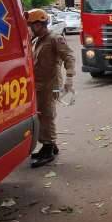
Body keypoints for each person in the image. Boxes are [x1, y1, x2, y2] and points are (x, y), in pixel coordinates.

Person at [25, 9, 76, 168]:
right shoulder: (36, 40)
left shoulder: (55, 38)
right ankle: (50, 146)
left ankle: (48, 147)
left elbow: (69, 56)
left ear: (40, 23)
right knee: (41, 115)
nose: (31, 28)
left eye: (32, 25)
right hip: (39, 85)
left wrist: (69, 77)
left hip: (51, 85)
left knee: (47, 115)